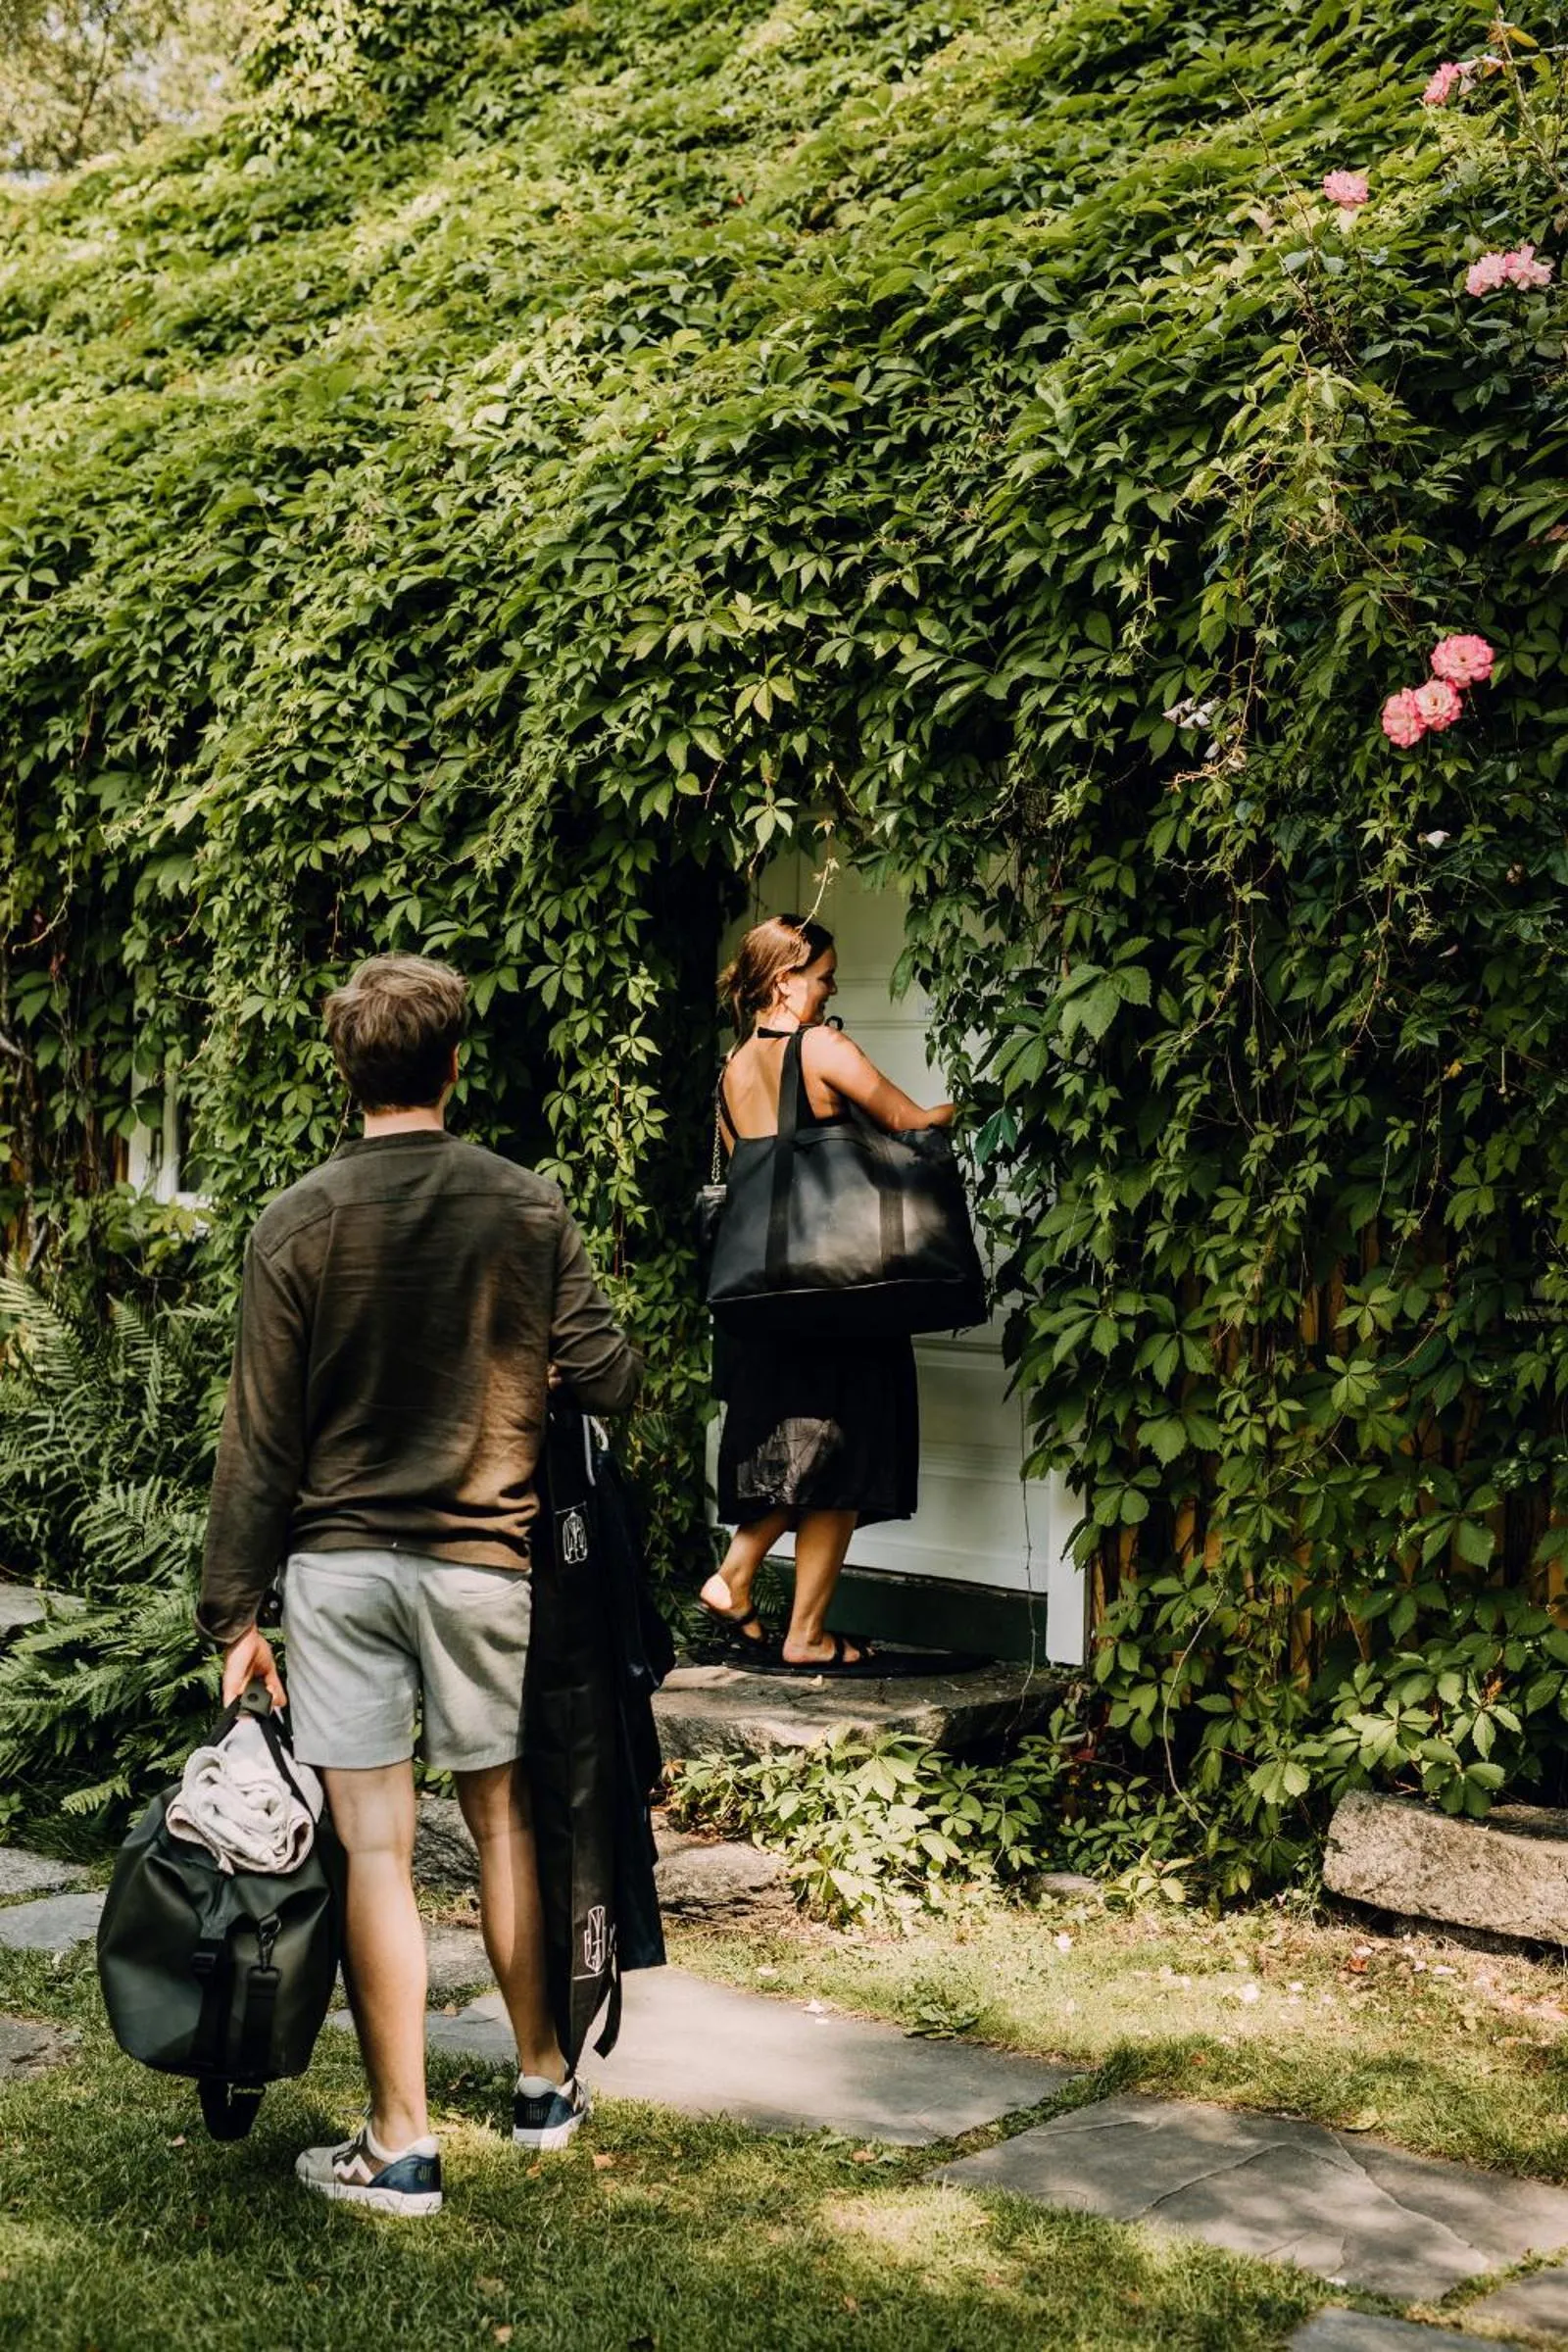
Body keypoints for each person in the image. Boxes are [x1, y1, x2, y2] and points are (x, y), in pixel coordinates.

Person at [197, 953, 641, 2217]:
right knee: (501, 1817)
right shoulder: (527, 1205)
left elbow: (259, 1441)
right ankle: (545, 2080)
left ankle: (402, 2142)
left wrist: (235, 1614)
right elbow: (613, 1374)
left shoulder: (297, 1221)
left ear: (347, 1073)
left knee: (377, 1848)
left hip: (336, 1575)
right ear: (457, 1065)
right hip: (484, 1563)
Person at [698, 913, 954, 1675]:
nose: (832, 989)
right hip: (839, 1290)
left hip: (767, 1297)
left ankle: (737, 1576)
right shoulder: (823, 1047)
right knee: (846, 1448)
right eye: (824, 977)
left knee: (804, 1448)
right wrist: (972, 1109)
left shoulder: (734, 1066)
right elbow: (909, 1122)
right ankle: (804, 1632)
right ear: (785, 979)